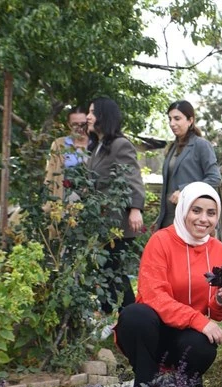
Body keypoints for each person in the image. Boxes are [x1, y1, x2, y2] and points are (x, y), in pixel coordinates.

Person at [115, 182, 222, 387]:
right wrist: (198, 320)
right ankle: (145, 386)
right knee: (135, 315)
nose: (204, 219)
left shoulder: (218, 250)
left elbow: (215, 314)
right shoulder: (160, 241)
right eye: (196, 210)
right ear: (184, 209)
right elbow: (153, 296)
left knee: (203, 346)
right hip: (153, 330)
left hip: (186, 334)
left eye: (211, 213)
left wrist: (220, 302)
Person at [86, 97, 145, 313]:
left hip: (117, 223)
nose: (88, 116)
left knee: (114, 272)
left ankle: (125, 314)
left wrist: (135, 209)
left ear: (104, 115)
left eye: (92, 112)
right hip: (102, 223)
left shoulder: (120, 144)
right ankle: (112, 314)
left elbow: (133, 178)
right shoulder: (98, 147)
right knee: (106, 270)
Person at [156, 100, 221, 229]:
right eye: (170, 119)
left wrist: (185, 191)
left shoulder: (201, 145)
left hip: (192, 221)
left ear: (190, 120)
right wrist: (160, 220)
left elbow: (215, 178)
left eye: (177, 119)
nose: (172, 123)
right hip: (170, 219)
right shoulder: (171, 148)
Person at [44, 105, 89, 205]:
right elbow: (49, 174)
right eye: (75, 124)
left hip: (90, 200)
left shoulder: (96, 144)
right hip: (63, 198)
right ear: (69, 124)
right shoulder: (59, 144)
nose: (80, 128)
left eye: (83, 124)